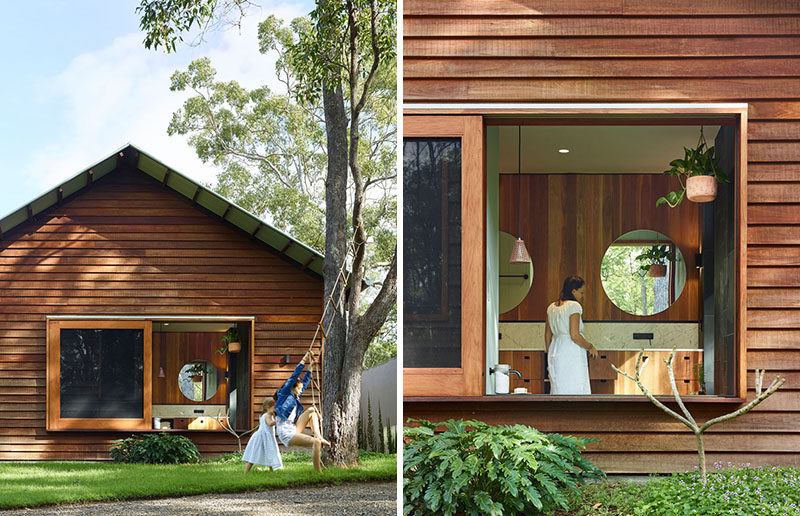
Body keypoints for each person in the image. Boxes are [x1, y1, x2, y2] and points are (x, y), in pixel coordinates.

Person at [274, 351, 330, 472]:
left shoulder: (295, 397)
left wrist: (311, 367)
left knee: (311, 411)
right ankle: (318, 473)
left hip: (293, 428)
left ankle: (319, 436)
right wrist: (305, 359)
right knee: (315, 443)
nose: (300, 391)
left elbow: (304, 383)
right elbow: (294, 376)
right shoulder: (284, 393)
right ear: (292, 387)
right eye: (298, 389)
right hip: (286, 433)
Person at [545, 275, 599, 395]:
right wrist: (590, 347)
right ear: (573, 291)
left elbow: (547, 335)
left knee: (558, 387)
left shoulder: (551, 308)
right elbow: (574, 335)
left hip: (555, 349)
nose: (582, 296)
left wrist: (549, 353)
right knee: (575, 385)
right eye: (581, 292)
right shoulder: (574, 306)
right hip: (570, 351)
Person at [242, 398, 282, 473]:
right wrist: (278, 421)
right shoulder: (267, 415)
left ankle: (271, 469)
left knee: (269, 452)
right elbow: (269, 423)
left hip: (266, 437)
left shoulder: (266, 415)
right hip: (262, 437)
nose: (275, 410)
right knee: (255, 454)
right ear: (268, 408)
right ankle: (246, 471)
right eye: (274, 408)